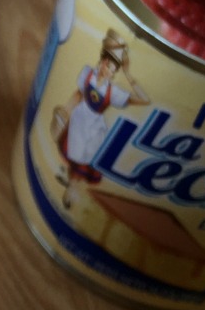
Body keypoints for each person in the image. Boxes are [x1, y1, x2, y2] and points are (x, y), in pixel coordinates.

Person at [53, 29, 150, 209]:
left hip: (95, 126)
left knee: (83, 160)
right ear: (104, 63)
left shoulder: (112, 92)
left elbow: (144, 100)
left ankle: (73, 190)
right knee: (74, 155)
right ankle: (70, 188)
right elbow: (78, 95)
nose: (111, 74)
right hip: (80, 118)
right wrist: (64, 112)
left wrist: (128, 74)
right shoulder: (87, 74)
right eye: (111, 69)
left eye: (115, 71)